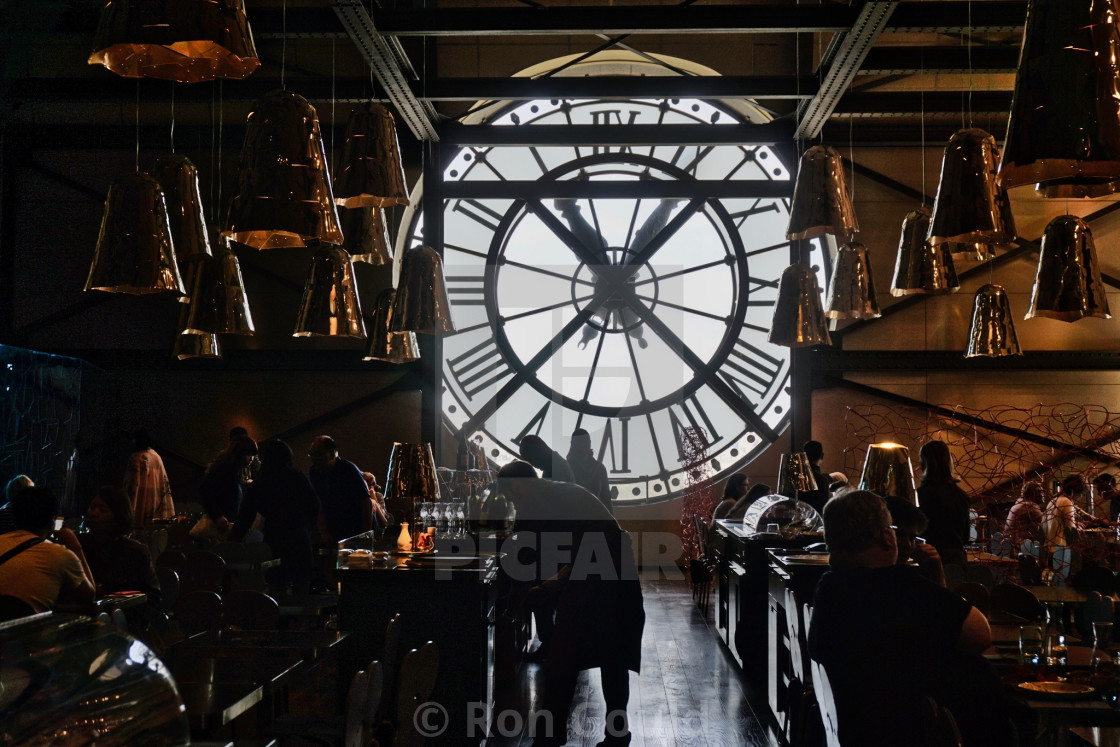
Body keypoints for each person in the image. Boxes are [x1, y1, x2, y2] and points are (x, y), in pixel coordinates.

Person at [809, 490, 1010, 746]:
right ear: (886, 537)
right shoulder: (899, 587)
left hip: (854, 729)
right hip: (911, 733)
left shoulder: (829, 588)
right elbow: (980, 634)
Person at [497, 461, 644, 747]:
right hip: (616, 569)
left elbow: (525, 557)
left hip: (595, 572)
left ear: (516, 485)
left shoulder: (532, 501)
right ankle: (617, 735)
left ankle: (549, 737)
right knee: (613, 656)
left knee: (564, 656)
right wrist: (556, 581)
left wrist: (513, 605)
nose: (510, 500)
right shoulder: (560, 491)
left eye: (509, 494)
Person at [231, 439, 320, 594]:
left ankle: (278, 617)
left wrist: (231, 543)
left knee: (276, 584)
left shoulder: (261, 481)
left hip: (275, 537)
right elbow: (314, 505)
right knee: (302, 584)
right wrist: (308, 528)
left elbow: (245, 517)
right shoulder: (297, 475)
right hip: (299, 536)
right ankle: (300, 618)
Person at [0, 486, 95, 613]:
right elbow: (89, 595)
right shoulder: (60, 555)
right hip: (23, 631)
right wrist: (75, 546)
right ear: (52, 520)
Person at [78, 486, 161, 604]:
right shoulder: (79, 544)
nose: (94, 513)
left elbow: (154, 597)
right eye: (92, 508)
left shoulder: (135, 552)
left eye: (103, 510)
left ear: (118, 516)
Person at [308, 435, 376, 543]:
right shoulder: (315, 472)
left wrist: (365, 536)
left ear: (331, 454)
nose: (313, 458)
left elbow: (366, 503)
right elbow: (319, 504)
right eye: (311, 454)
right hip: (336, 530)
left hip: (357, 529)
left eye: (317, 454)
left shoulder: (348, 470)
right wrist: (324, 532)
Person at [916, 440, 971, 567]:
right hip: (956, 563)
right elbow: (965, 537)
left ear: (924, 463)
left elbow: (917, 533)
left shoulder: (920, 495)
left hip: (929, 561)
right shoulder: (962, 496)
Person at [197, 434, 258, 539]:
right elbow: (204, 490)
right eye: (249, 454)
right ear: (241, 452)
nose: (251, 459)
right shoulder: (225, 466)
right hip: (220, 526)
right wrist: (217, 516)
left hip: (225, 524)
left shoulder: (232, 468)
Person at [886, 495, 946, 587]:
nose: (908, 544)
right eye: (899, 535)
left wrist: (937, 572)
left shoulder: (909, 576)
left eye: (912, 538)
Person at [123, 430, 175, 527]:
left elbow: (130, 486)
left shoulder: (136, 458)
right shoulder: (157, 457)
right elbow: (164, 484)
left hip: (139, 508)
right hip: (155, 504)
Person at [566, 429, 612, 514]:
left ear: (572, 444)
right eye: (581, 442)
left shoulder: (566, 468)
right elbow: (607, 502)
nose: (582, 445)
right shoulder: (600, 469)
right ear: (589, 443)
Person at [1005, 482, 1045, 549]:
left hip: (1010, 545)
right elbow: (1046, 521)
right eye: (1040, 492)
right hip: (1020, 548)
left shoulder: (1019, 504)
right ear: (1032, 494)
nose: (1043, 495)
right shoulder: (1029, 506)